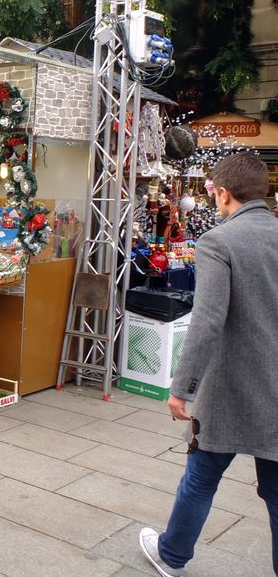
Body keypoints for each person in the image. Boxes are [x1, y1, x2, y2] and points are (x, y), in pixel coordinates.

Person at [139, 152, 278, 577]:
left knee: (200, 477)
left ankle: (172, 555)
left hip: (230, 387)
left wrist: (183, 387)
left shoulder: (220, 241)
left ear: (222, 194)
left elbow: (207, 321)